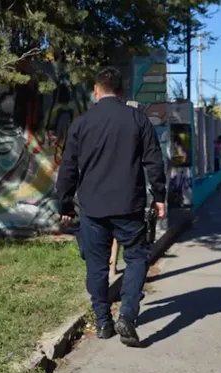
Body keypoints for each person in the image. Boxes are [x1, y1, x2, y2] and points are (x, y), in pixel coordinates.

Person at [55, 67, 167, 347]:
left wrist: (65, 202)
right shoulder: (138, 120)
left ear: (96, 90)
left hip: (92, 207)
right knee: (137, 258)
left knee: (96, 264)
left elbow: (68, 167)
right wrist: (160, 196)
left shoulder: (81, 123)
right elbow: (154, 161)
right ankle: (127, 315)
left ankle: (103, 322)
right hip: (129, 204)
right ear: (121, 91)